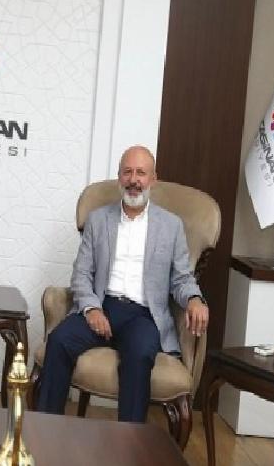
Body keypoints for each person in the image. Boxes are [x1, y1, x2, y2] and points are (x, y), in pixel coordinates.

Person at [35, 145, 209, 422]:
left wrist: (194, 299)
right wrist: (91, 309)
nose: (134, 180)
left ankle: (129, 441)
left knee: (139, 355)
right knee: (58, 341)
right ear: (119, 178)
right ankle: (45, 430)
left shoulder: (171, 226)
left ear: (153, 179)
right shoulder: (98, 220)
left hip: (143, 315)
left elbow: (181, 278)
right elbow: (81, 273)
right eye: (127, 172)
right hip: (102, 306)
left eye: (141, 173)